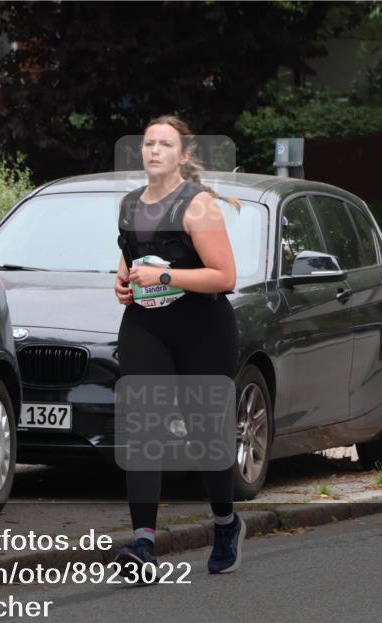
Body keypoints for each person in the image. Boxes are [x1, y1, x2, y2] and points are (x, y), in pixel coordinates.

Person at [113, 115, 245, 576]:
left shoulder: (199, 206)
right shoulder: (129, 204)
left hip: (202, 330)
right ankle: (143, 543)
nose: (153, 151)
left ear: (183, 155)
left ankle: (226, 522)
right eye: (148, 143)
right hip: (146, 326)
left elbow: (225, 277)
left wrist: (166, 276)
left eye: (164, 145)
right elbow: (130, 261)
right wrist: (124, 283)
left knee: (205, 436)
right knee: (143, 428)